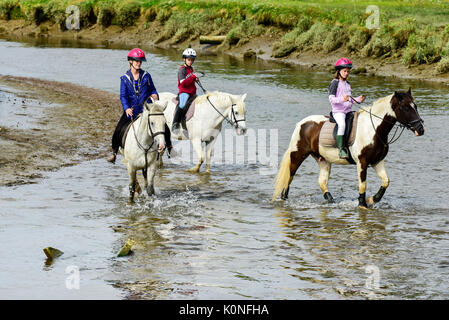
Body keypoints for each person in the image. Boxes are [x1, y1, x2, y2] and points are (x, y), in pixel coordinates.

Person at [107, 48, 172, 163]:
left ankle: (169, 148)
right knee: (118, 129)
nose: (138, 63)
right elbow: (123, 96)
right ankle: (114, 152)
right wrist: (126, 108)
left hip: (147, 109)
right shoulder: (124, 78)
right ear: (130, 61)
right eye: (136, 60)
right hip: (132, 109)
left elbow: (153, 89)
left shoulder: (147, 76)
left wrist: (155, 95)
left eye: (140, 61)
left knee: (164, 126)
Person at [328, 58, 365, 159]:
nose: (346, 73)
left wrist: (358, 100)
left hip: (348, 111)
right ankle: (341, 149)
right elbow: (331, 99)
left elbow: (350, 100)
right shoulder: (335, 83)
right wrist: (342, 99)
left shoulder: (348, 84)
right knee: (342, 124)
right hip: (338, 111)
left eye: (348, 71)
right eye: (344, 71)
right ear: (339, 71)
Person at [172, 48, 198, 135]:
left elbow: (190, 80)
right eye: (189, 59)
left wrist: (195, 79)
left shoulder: (191, 68)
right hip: (184, 92)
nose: (190, 61)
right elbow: (183, 83)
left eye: (192, 60)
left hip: (192, 92)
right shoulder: (182, 69)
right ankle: (175, 123)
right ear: (184, 59)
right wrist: (193, 77)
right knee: (182, 104)